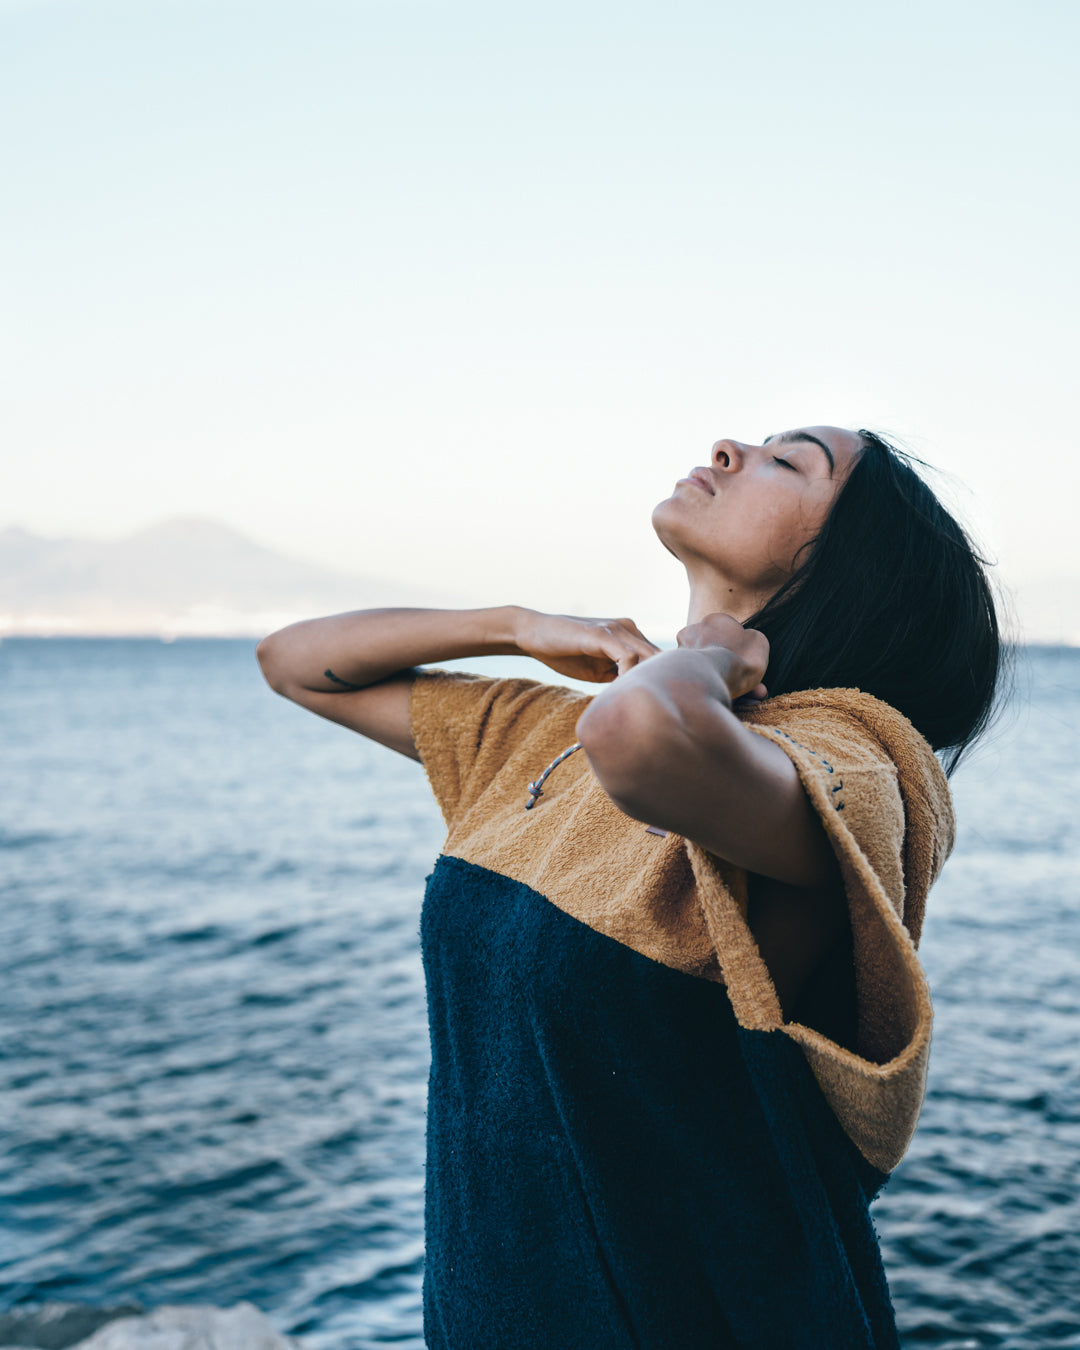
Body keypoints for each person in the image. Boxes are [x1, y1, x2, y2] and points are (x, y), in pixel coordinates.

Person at [257, 426, 1004, 1349]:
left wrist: (724, 658)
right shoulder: (545, 735)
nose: (730, 446)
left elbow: (644, 742)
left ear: (851, 565)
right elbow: (294, 662)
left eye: (786, 460)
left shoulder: (845, 756)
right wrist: (521, 627)